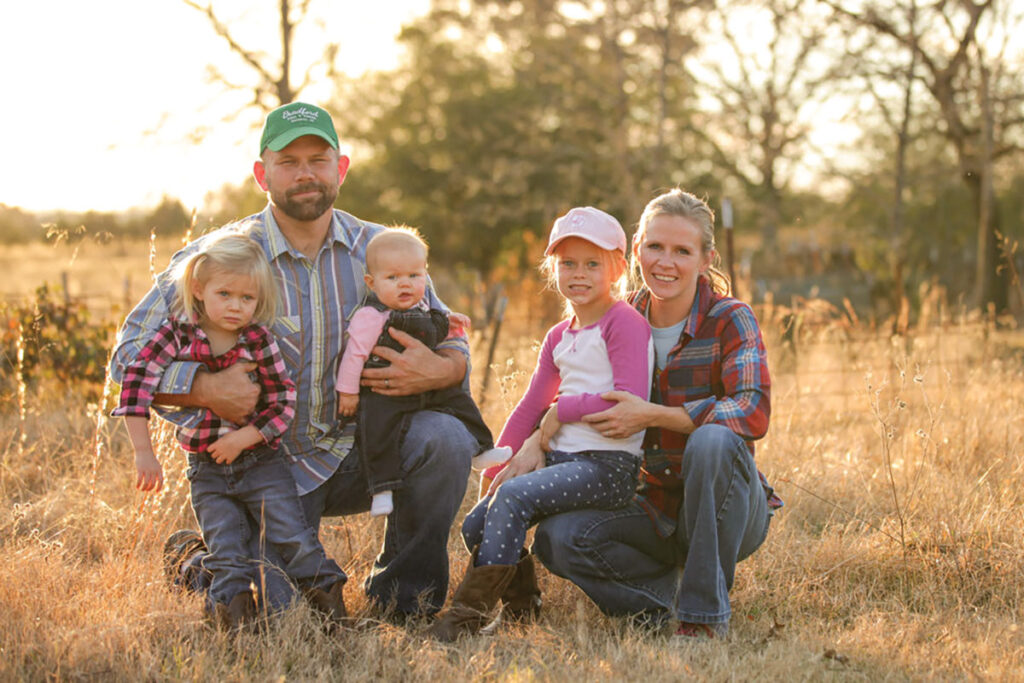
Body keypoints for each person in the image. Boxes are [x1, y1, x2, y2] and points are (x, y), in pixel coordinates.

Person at [109, 102, 477, 620]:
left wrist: (449, 368)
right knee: (281, 615)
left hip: (362, 452)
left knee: (444, 437)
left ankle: (403, 598)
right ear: (262, 174)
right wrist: (203, 389)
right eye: (288, 161)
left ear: (340, 168)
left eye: (318, 158)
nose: (305, 173)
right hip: (262, 465)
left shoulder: (383, 250)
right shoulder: (220, 259)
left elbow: (449, 334)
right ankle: (201, 564)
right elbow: (126, 358)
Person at [527, 189, 781, 639]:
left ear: (705, 259)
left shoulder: (729, 319)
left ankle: (702, 620)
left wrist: (653, 415)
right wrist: (541, 430)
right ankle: (661, 605)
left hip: (728, 509)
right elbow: (574, 391)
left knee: (714, 438)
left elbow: (751, 411)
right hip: (650, 503)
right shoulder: (616, 317)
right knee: (558, 538)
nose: (666, 262)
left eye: (682, 251)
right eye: (655, 247)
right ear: (636, 249)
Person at [427, 206, 654, 642]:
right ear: (554, 268)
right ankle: (522, 606)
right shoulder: (558, 335)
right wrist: (498, 467)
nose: (579, 274)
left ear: (618, 268)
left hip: (608, 467)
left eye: (593, 263)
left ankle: (465, 619)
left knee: (512, 500)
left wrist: (563, 410)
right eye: (568, 263)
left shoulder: (623, 322)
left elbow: (628, 401)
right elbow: (532, 405)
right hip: (562, 460)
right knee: (476, 523)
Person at [111, 232, 347, 630]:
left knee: (291, 535)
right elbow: (135, 384)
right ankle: (233, 618)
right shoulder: (175, 335)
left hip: (262, 462)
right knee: (225, 547)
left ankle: (329, 605)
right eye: (225, 294)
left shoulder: (258, 340)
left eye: (247, 298)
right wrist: (143, 451)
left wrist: (245, 436)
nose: (236, 307)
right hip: (206, 469)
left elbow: (282, 400)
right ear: (199, 290)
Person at [335, 226, 509, 517]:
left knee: (460, 402)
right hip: (383, 391)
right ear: (372, 282)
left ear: (425, 275)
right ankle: (381, 489)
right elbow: (353, 357)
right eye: (392, 278)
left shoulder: (423, 304)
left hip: (426, 387)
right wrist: (348, 392)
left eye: (414, 276)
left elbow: (435, 324)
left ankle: (481, 449)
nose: (405, 284)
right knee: (377, 431)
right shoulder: (369, 317)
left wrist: (449, 320)